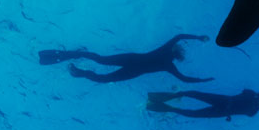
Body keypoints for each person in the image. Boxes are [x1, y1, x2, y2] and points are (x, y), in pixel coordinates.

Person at [39, 34, 213, 83]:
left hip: (132, 61)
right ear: (178, 57)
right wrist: (203, 80)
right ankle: (79, 71)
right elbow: (185, 80)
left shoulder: (168, 59)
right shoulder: (169, 65)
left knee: (100, 60)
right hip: (134, 69)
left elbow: (179, 36)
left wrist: (198, 38)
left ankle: (71, 56)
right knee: (104, 76)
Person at [146, 88, 259, 120]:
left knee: (194, 114)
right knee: (197, 94)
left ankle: (171, 108)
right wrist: (254, 98)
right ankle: (174, 95)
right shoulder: (252, 95)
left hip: (222, 112)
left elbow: (244, 110)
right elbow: (243, 93)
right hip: (224, 101)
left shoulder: (254, 111)